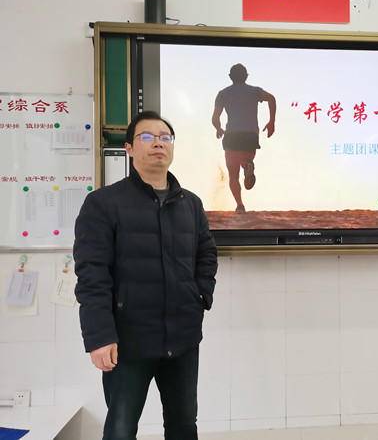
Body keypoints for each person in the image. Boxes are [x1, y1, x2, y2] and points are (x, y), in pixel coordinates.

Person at [73, 111, 218, 440]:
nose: (158, 143)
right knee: (121, 429)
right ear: (129, 148)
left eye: (165, 137)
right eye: (148, 137)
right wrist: (99, 336)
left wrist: (200, 296)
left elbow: (207, 254)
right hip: (127, 341)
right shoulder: (103, 203)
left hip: (183, 337)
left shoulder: (191, 204)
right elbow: (92, 275)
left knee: (184, 425)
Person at [211, 63, 276, 213]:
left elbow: (215, 118)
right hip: (250, 136)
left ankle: (240, 205)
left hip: (232, 136)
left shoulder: (223, 94)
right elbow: (271, 98)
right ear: (246, 76)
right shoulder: (255, 91)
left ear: (230, 77)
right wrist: (271, 122)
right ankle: (247, 164)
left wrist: (218, 128)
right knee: (245, 158)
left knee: (233, 175)